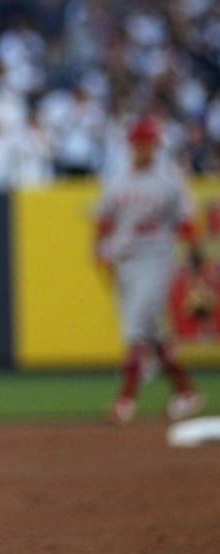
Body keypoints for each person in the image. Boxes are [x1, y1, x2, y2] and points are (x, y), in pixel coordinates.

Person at [92, 114, 205, 426]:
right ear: (131, 144)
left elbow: (185, 224)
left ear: (155, 145)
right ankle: (186, 392)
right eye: (138, 142)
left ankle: (126, 399)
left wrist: (197, 266)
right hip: (124, 261)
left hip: (156, 259)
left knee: (137, 325)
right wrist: (99, 250)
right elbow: (103, 220)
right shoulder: (117, 180)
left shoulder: (169, 180)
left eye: (147, 142)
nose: (142, 147)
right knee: (149, 331)